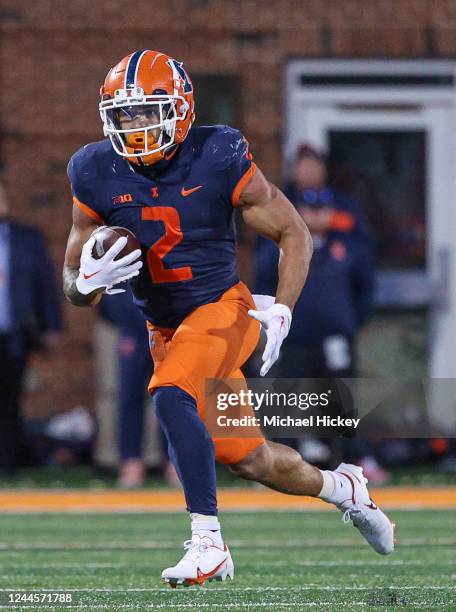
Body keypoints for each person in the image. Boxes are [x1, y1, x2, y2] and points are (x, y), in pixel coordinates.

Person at [62, 50, 395, 587]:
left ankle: (207, 543)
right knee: (251, 459)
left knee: (171, 393)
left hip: (222, 311)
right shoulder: (93, 170)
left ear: (181, 108)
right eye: (125, 115)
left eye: (149, 112)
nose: (136, 126)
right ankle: (345, 489)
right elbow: (72, 283)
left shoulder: (217, 154)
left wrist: (283, 308)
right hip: (165, 330)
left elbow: (294, 233)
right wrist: (84, 284)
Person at [256, 145, 390, 484]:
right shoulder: (278, 203)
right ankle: (284, 464)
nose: (309, 172)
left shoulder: (344, 214)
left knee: (344, 396)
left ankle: (357, 461)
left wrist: (350, 319)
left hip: (335, 327)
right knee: (290, 394)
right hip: (295, 328)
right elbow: (262, 266)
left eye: (314, 165)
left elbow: (364, 275)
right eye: (303, 166)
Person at [0, 182, 63, 471]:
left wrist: (52, 325)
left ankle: (8, 461)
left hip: (13, 333)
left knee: (10, 399)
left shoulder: (26, 238)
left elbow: (45, 287)